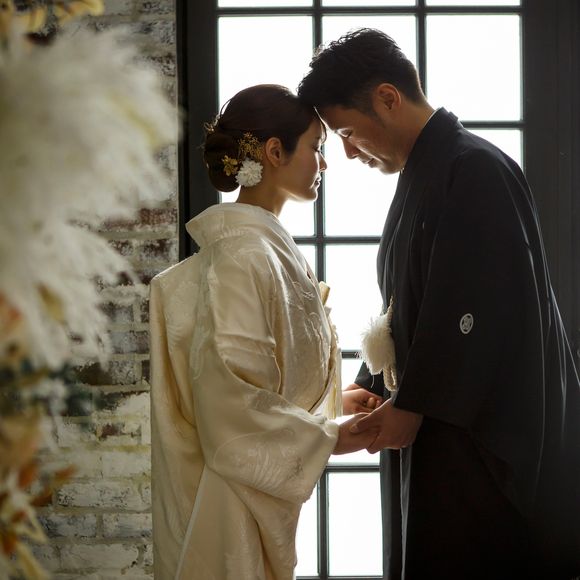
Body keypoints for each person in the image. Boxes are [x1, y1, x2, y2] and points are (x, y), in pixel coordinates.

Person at [298, 28, 580, 580]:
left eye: (348, 133)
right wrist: (374, 386)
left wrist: (412, 403)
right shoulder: (424, 174)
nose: (348, 152)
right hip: (438, 423)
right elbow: (407, 309)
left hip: (478, 438)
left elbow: (478, 309)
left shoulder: (475, 168)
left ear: (387, 97)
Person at [149, 84, 381, 580]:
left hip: (250, 487)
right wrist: (330, 437)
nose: (324, 163)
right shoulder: (245, 255)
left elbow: (267, 381)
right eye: (316, 147)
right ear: (275, 152)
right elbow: (229, 398)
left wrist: (335, 402)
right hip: (232, 497)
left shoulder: (258, 249)